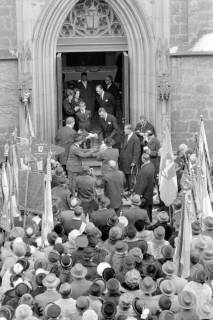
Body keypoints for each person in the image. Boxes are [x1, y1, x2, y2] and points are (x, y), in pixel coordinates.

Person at [119, 124, 141, 191]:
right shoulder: (126, 136)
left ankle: (131, 190)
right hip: (125, 161)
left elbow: (137, 151)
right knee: (125, 175)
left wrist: (134, 161)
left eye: (125, 129)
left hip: (130, 161)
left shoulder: (135, 138)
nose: (124, 130)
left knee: (130, 177)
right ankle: (127, 189)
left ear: (129, 130)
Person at [134, 153, 155, 222]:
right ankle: (150, 221)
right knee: (149, 208)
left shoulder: (145, 170)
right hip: (149, 191)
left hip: (145, 194)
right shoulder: (151, 165)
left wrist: (138, 194)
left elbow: (143, 183)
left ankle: (147, 223)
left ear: (143, 159)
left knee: (145, 210)